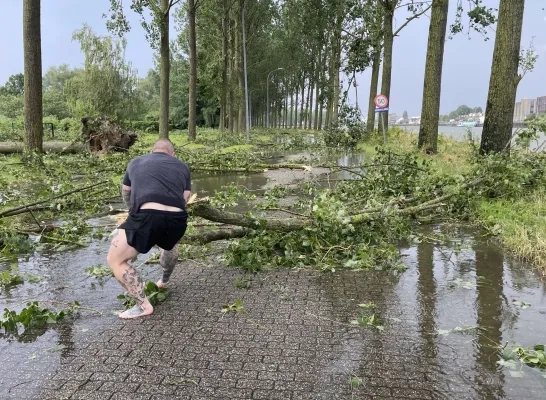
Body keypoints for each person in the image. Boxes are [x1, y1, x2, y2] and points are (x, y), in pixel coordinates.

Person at [107, 138, 191, 319]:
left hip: (145, 217)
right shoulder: (182, 166)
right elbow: (185, 198)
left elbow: (126, 192)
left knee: (115, 260)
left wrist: (134, 214)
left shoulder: (136, 162)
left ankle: (143, 306)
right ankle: (164, 281)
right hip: (177, 220)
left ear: (152, 151)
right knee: (168, 245)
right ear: (172, 154)